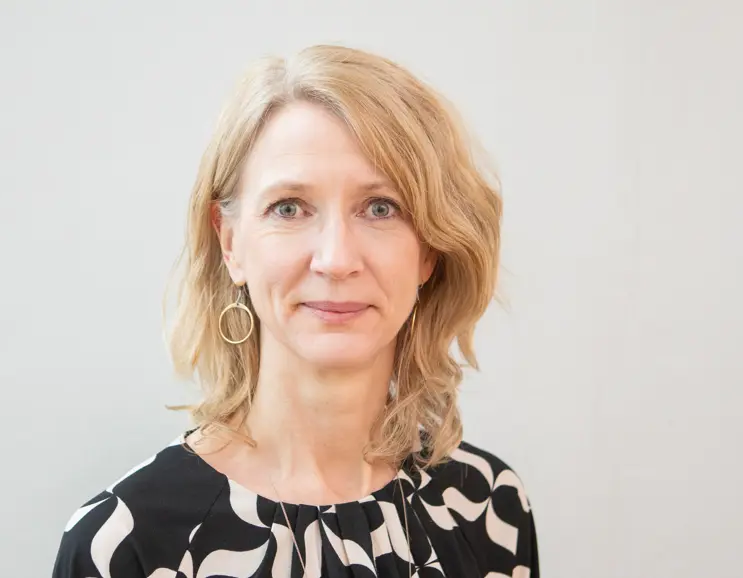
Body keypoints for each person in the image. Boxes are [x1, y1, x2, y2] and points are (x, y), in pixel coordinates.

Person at [52, 44, 538, 578]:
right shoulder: (127, 544)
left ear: (429, 251)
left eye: (381, 208)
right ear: (230, 242)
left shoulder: (489, 508)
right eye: (289, 208)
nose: (336, 259)